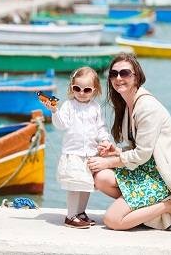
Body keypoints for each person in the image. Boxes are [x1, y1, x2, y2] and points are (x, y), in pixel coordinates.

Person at [87, 53, 171, 231]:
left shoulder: (147, 107)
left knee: (112, 220)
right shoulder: (128, 104)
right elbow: (139, 149)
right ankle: (143, 212)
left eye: (125, 73)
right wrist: (116, 151)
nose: (118, 78)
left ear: (137, 76)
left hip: (159, 178)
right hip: (144, 170)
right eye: (114, 74)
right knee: (101, 178)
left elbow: (142, 154)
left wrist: (108, 161)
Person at [41, 66, 111, 229]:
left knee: (86, 185)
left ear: (95, 90)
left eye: (86, 90)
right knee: (74, 185)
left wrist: (105, 140)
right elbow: (61, 124)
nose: (81, 92)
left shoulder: (96, 107)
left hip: (90, 154)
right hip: (73, 154)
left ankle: (80, 213)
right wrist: (54, 111)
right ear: (72, 88)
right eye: (77, 88)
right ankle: (70, 215)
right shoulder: (68, 105)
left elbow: (101, 127)